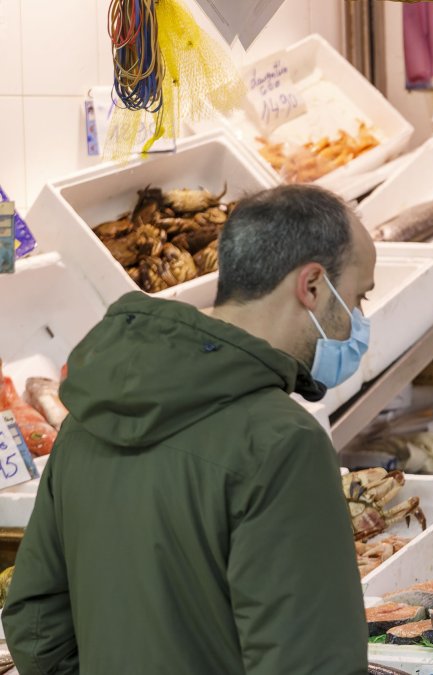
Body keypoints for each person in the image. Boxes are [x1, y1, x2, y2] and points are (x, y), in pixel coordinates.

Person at [3, 185, 376, 673]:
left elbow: (36, 624)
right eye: (358, 297)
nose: (360, 320)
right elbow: (310, 663)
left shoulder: (88, 418)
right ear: (311, 286)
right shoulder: (282, 443)